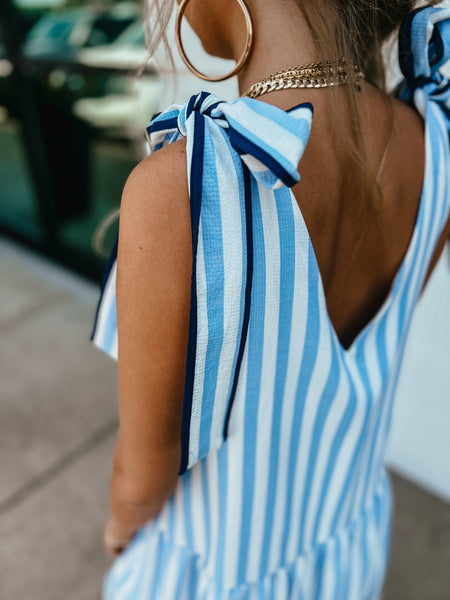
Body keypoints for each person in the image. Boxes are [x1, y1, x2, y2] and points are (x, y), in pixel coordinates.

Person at [91, 0, 450, 598]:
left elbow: (141, 477)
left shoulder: (189, 188)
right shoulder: (436, 146)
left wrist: (120, 526)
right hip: (344, 556)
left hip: (211, 573)